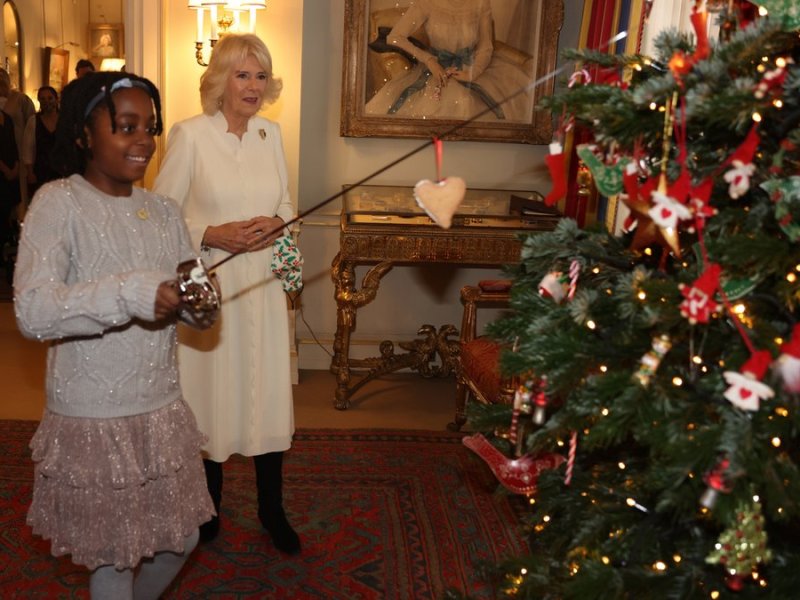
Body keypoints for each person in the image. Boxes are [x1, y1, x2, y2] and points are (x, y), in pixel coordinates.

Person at [14, 71, 217, 598]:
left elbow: (185, 299)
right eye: (126, 127)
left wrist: (195, 303)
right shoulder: (57, 204)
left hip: (159, 407)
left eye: (149, 127)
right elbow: (33, 310)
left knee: (182, 538)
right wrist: (130, 294)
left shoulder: (165, 212)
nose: (143, 140)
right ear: (84, 134)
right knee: (112, 558)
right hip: (92, 415)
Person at [153, 32, 300, 554]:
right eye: (243, 74)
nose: (253, 86)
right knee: (214, 393)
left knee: (266, 393)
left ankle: (272, 510)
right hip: (212, 289)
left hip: (263, 287)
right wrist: (212, 233)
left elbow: (287, 202)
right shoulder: (191, 135)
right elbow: (161, 214)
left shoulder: (272, 135)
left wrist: (277, 222)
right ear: (220, 80)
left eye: (260, 75)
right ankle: (207, 510)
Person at [365, 0, 533, 122]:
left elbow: (486, 46)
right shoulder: (428, 3)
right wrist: (429, 60)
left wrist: (475, 71)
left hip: (475, 68)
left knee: (477, 103)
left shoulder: (480, 3)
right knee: (455, 103)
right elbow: (395, 37)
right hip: (436, 70)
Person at [0, 68, 34, 204]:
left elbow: (32, 123)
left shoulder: (20, 99)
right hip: (2, 154)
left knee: (20, 192)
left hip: (19, 151)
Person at [22, 86, 60, 198]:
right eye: (42, 99)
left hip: (62, 170)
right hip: (41, 172)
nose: (46, 101)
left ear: (56, 99)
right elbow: (28, 148)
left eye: (50, 98)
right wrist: (30, 172)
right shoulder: (33, 121)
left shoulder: (65, 120)